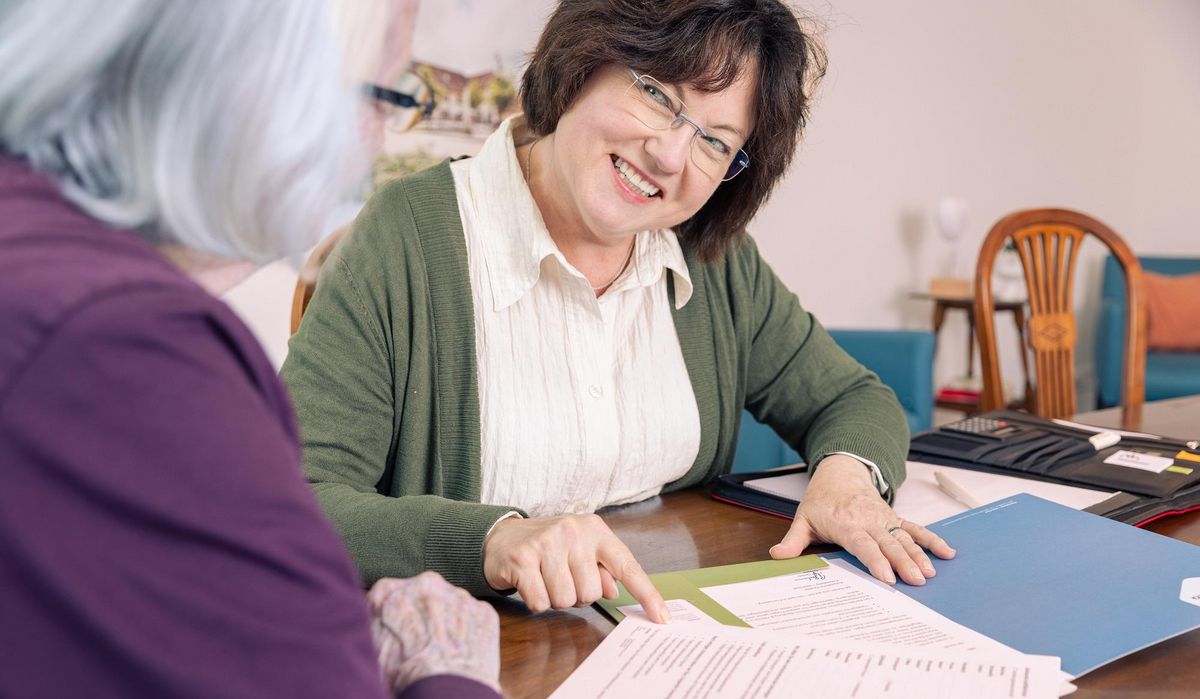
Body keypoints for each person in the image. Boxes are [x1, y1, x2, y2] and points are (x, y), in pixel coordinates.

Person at [282, 0, 956, 623]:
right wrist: (494, 538)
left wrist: (846, 478)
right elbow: (294, 500)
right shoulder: (409, 235)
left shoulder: (711, 259)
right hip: (465, 654)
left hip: (667, 635)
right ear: (586, 59)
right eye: (658, 94)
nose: (669, 154)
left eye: (715, 142)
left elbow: (852, 397)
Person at [0, 1, 500, 697]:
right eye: (383, 97)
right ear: (266, 85)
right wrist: (449, 671)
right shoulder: (124, 348)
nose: (378, 144)